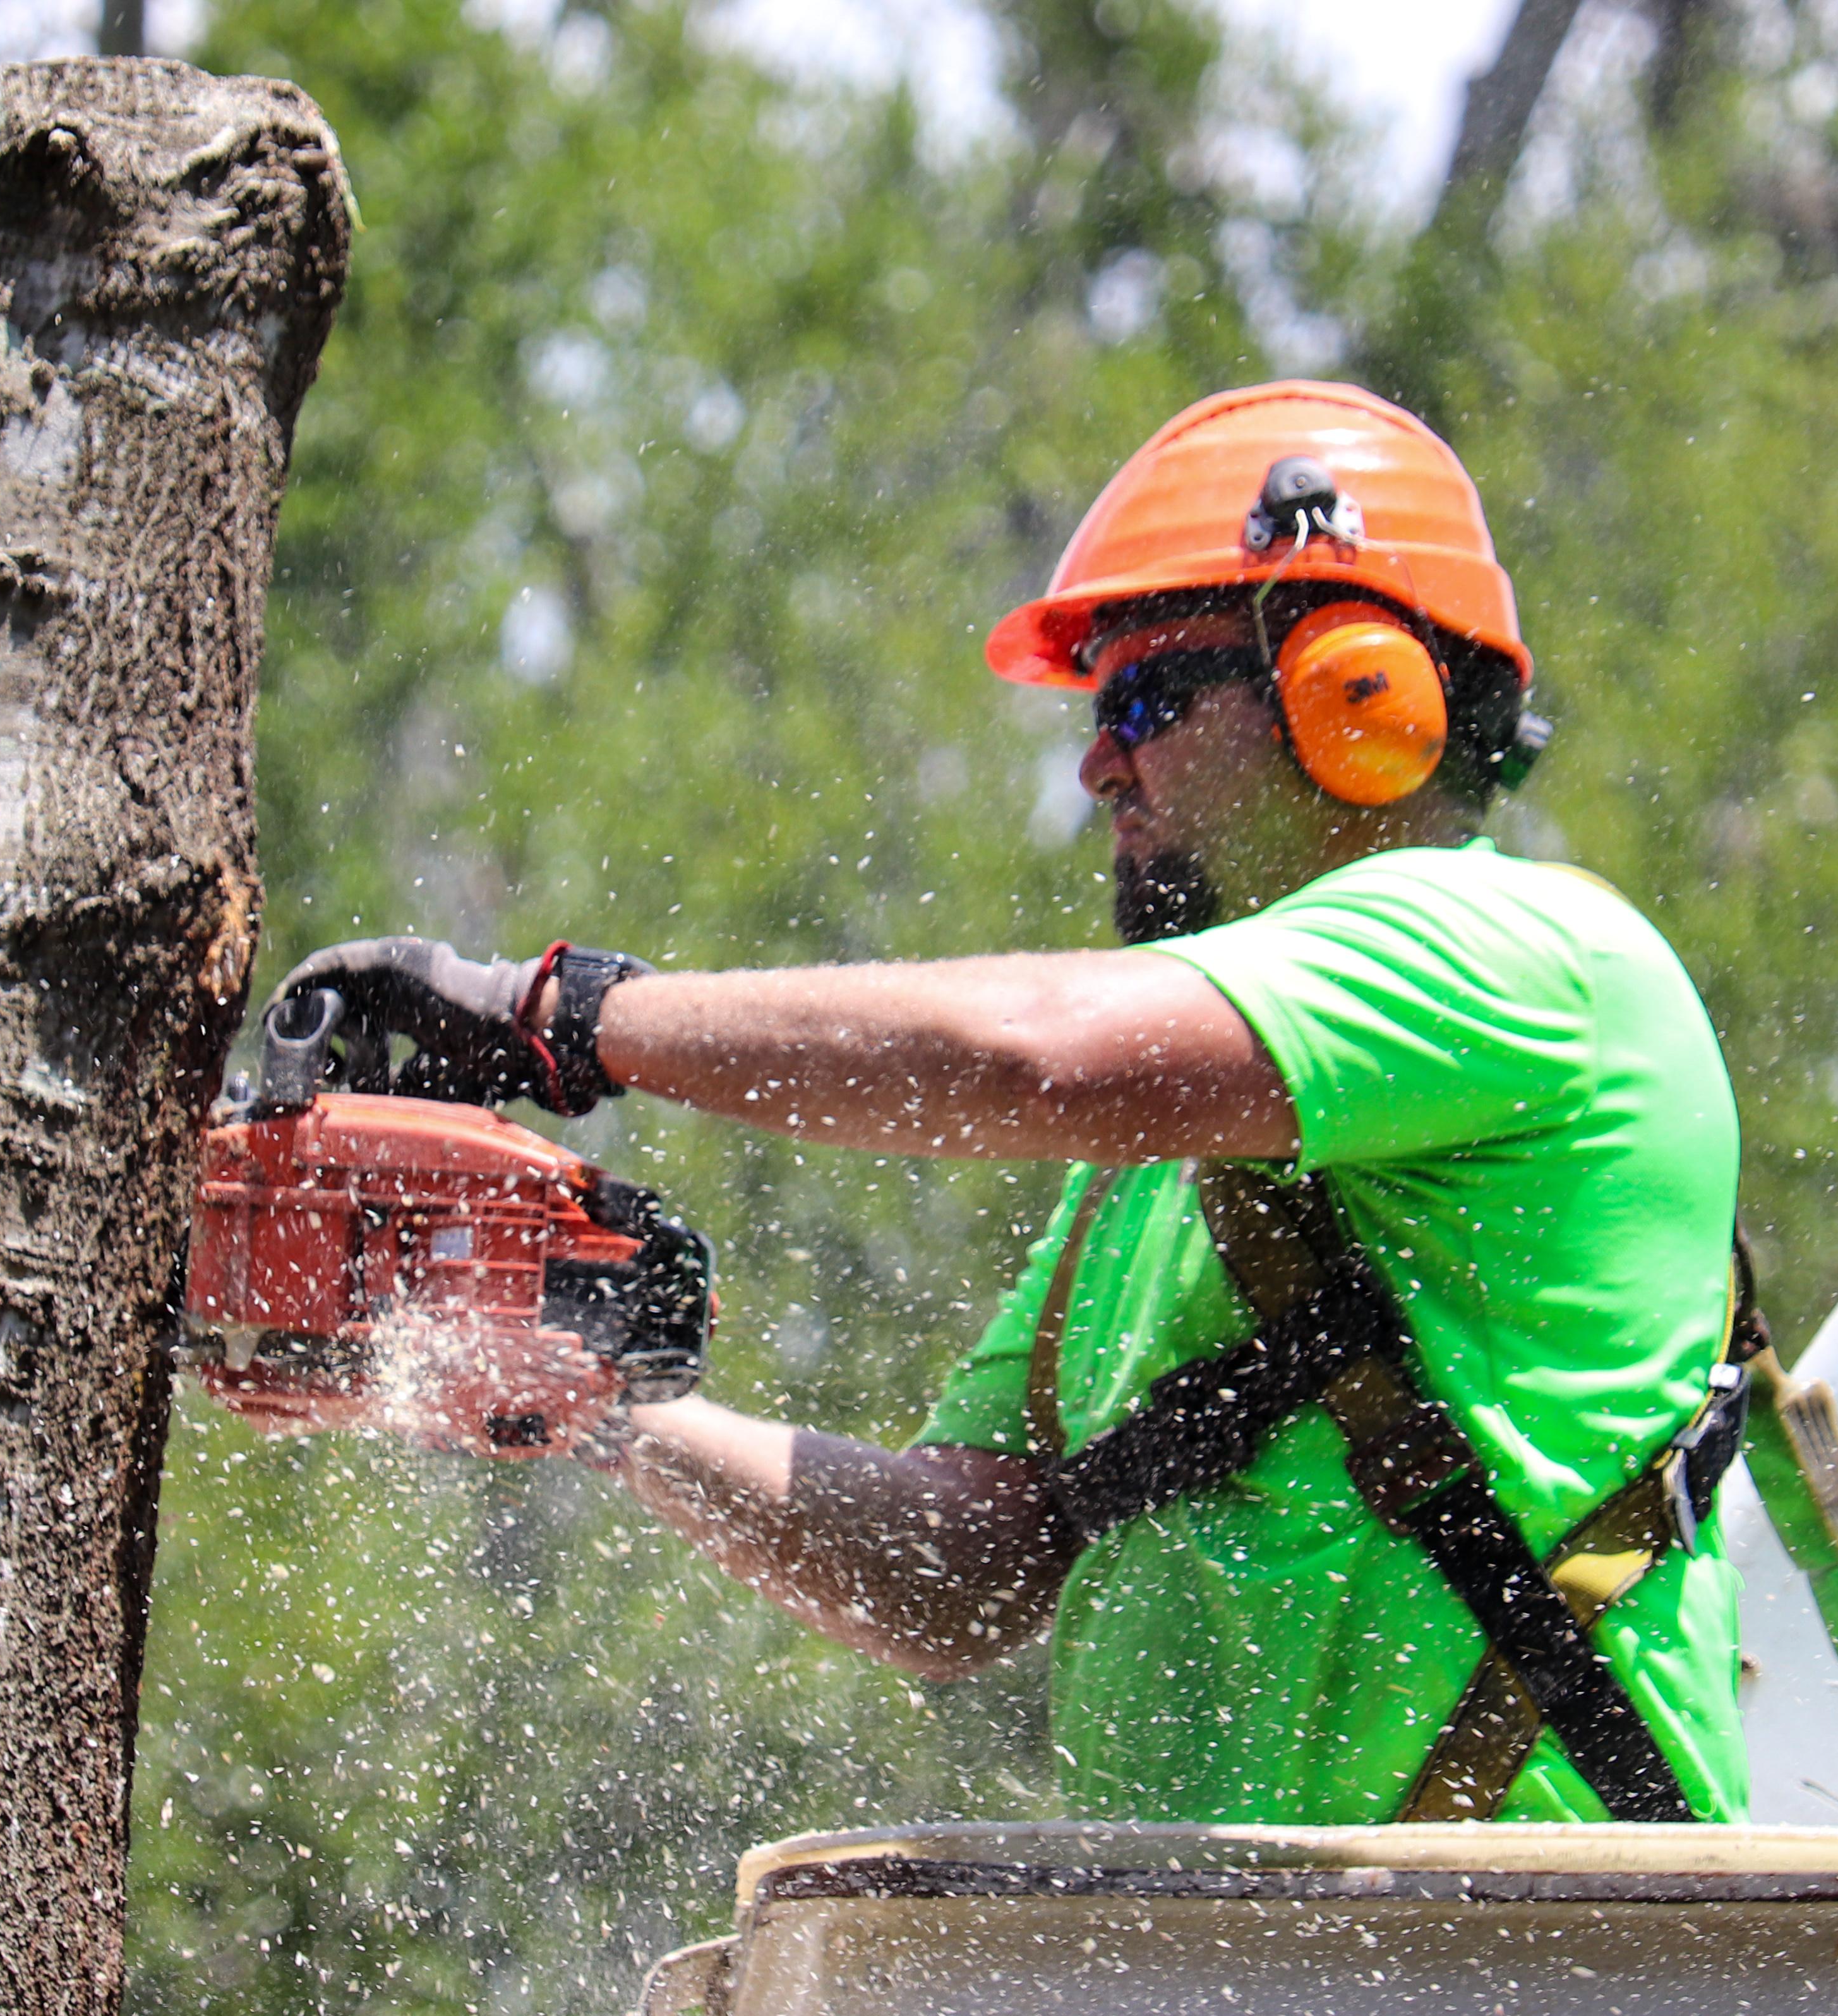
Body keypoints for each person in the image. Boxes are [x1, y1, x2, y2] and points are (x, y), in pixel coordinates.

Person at [275, 382, 1750, 1828]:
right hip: (1243, 1995)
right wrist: (590, 1394)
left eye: (1147, 695)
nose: (1099, 757)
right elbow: (960, 1568)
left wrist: (563, 1018)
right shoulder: (1163, 1173)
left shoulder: (1523, 950)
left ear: (1360, 692)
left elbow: (1028, 1054)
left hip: (1554, 1972)